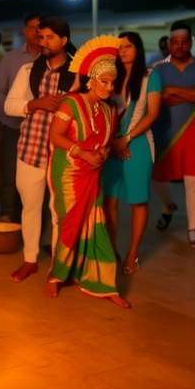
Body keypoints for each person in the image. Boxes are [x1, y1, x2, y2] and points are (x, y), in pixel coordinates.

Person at [46, 35, 129, 308]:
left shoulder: (109, 110)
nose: (109, 87)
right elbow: (55, 137)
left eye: (112, 82)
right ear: (91, 79)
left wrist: (103, 153)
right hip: (69, 172)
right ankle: (56, 276)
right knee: (70, 224)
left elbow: (107, 143)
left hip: (94, 172)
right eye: (104, 81)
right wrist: (82, 153)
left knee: (97, 224)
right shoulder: (71, 103)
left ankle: (104, 283)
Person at [4, 16, 77, 281]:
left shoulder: (78, 74)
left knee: (59, 212)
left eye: (49, 37)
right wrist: (37, 103)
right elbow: (10, 105)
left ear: (64, 40)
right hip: (30, 150)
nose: (42, 41)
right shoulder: (28, 71)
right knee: (30, 208)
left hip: (64, 154)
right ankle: (30, 259)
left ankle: (59, 266)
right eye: (40, 36)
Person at [102, 32, 162, 274]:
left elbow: (153, 113)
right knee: (109, 201)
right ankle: (111, 249)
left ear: (137, 48)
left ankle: (133, 254)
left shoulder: (150, 76)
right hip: (111, 144)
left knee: (138, 200)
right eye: (120, 47)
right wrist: (114, 141)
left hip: (137, 144)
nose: (123, 50)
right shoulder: (111, 77)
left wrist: (126, 138)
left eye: (128, 46)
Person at [151, 21, 195, 247]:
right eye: (174, 42)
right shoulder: (158, 68)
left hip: (193, 128)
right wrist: (191, 93)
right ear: (169, 43)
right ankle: (168, 206)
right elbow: (158, 99)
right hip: (164, 130)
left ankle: (193, 229)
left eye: (183, 42)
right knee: (158, 178)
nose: (179, 46)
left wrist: (174, 91)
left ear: (190, 42)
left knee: (193, 178)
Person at [0, 13, 42, 224]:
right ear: (24, 31)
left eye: (40, 28)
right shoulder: (10, 59)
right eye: (32, 27)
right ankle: (7, 223)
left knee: (39, 180)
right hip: (13, 128)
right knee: (10, 178)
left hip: (42, 131)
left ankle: (36, 228)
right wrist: (11, 115)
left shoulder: (51, 58)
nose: (36, 32)